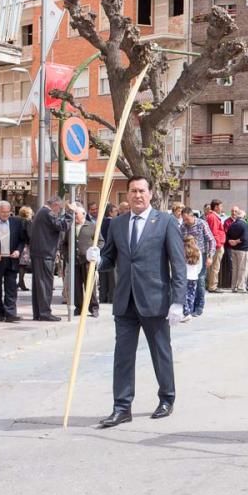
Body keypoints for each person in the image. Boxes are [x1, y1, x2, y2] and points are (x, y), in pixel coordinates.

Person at [86, 176, 187, 427]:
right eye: (133, 191)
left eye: (142, 191)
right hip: (125, 301)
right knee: (122, 356)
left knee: (161, 352)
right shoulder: (118, 224)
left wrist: (178, 301)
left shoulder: (165, 222)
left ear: (150, 194)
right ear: (127, 195)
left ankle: (167, 398)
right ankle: (121, 407)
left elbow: (178, 263)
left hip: (155, 299)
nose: (137, 195)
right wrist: (97, 260)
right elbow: (110, 258)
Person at [29, 197, 73, 321]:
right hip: (45, 253)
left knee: (39, 284)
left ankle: (39, 312)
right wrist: (70, 214)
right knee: (45, 284)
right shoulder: (48, 213)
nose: (59, 211)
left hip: (40, 252)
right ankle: (44, 313)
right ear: (54, 205)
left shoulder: (41, 212)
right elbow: (62, 226)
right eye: (59, 208)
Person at [60, 204, 101, 318]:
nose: (75, 217)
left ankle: (93, 308)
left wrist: (95, 252)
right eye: (74, 214)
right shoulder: (70, 227)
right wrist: (66, 255)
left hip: (87, 262)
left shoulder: (92, 226)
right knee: (76, 286)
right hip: (74, 261)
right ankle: (79, 308)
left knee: (90, 286)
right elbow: (63, 244)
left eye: (76, 214)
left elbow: (101, 241)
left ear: (83, 214)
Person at [179, 208, 214, 315]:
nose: (185, 221)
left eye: (187, 219)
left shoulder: (201, 224)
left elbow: (211, 239)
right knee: (189, 282)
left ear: (192, 216)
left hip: (200, 255)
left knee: (200, 280)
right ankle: (190, 306)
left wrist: (210, 256)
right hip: (187, 256)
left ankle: (199, 306)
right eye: (183, 219)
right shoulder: (183, 227)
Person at [226, 206, 248, 293]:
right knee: (243, 269)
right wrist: (237, 241)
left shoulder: (232, 224)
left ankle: (234, 287)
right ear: (244, 217)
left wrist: (231, 241)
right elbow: (245, 238)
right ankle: (241, 287)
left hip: (233, 249)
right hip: (243, 249)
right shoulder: (244, 224)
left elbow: (227, 235)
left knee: (235, 268)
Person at [205, 200, 227, 294]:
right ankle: (213, 286)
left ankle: (210, 284)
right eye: (220, 206)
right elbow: (214, 233)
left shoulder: (212, 216)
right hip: (217, 245)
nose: (222, 208)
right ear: (216, 207)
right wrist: (218, 244)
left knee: (212, 267)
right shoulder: (213, 217)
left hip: (216, 245)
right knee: (215, 267)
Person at [98, 204, 117, 303]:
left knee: (103, 279)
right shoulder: (114, 223)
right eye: (115, 211)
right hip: (110, 252)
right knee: (112, 279)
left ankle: (102, 297)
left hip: (101, 252)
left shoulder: (101, 222)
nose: (116, 213)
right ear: (110, 212)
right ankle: (111, 298)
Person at [182, 235, 201, 321]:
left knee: (184, 295)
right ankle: (190, 311)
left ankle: (186, 313)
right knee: (191, 295)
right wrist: (196, 273)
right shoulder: (198, 251)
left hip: (185, 276)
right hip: (194, 276)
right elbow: (200, 265)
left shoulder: (183, 251)